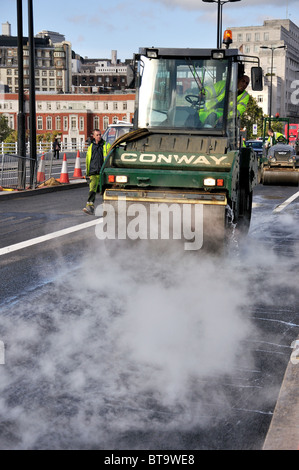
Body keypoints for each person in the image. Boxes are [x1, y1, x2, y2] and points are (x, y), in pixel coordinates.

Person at [83, 129, 111, 215]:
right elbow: (88, 159)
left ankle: (106, 208)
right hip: (94, 172)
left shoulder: (106, 145)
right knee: (92, 189)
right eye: (97, 135)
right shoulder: (91, 146)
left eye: (100, 135)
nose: (99, 136)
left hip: (103, 172)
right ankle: (90, 207)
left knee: (104, 190)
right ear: (93, 136)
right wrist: (88, 173)